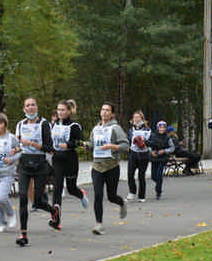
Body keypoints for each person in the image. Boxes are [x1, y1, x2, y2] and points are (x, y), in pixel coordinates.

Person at [14, 96, 59, 246]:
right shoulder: (20, 124)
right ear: (24, 109)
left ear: (37, 108)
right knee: (22, 198)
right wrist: (16, 149)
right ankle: (23, 234)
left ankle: (53, 211)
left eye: (33, 105)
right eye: (28, 105)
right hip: (24, 164)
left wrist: (33, 144)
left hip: (40, 164)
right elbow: (20, 144)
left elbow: (50, 148)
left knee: (38, 202)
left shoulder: (44, 124)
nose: (31, 108)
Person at [85, 102, 128, 234]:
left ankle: (121, 203)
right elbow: (92, 144)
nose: (104, 112)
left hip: (111, 167)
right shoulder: (95, 129)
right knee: (98, 195)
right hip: (97, 167)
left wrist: (112, 147)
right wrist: (86, 145)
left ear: (112, 114)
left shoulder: (115, 128)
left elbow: (125, 146)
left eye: (107, 110)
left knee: (111, 196)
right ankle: (99, 224)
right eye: (103, 110)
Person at [49, 99, 88, 226]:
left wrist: (68, 145)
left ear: (69, 111)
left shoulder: (74, 126)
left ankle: (81, 195)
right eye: (58, 110)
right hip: (57, 159)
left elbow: (80, 142)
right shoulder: (55, 124)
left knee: (71, 189)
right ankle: (56, 219)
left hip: (70, 159)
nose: (60, 112)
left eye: (63, 110)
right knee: (57, 188)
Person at [126, 110, 151, 201]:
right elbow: (128, 140)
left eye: (138, 117)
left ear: (142, 119)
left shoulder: (147, 130)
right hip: (133, 154)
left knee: (141, 175)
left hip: (144, 155)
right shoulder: (131, 130)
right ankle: (132, 192)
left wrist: (144, 141)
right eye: (134, 117)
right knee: (130, 174)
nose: (136, 119)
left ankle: (141, 196)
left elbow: (152, 142)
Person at [148, 121, 174, 200]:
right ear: (157, 128)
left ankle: (158, 191)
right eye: (160, 127)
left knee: (159, 174)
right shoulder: (153, 135)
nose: (162, 129)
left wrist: (164, 151)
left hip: (163, 158)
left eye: (163, 127)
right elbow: (148, 144)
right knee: (153, 176)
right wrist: (151, 152)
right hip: (154, 157)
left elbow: (172, 148)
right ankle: (158, 183)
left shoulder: (167, 137)